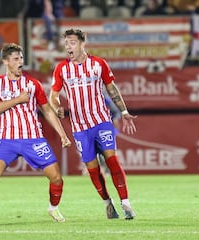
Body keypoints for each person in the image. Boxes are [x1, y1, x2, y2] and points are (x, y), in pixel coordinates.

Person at [0, 43, 72, 225]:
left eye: (22, 58)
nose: (20, 62)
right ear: (6, 62)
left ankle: (53, 207)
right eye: (16, 59)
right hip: (7, 139)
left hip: (33, 138)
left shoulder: (33, 84)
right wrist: (18, 99)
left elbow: (47, 110)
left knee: (56, 176)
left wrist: (63, 134)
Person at [49, 29, 137, 220]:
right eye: (66, 43)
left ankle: (126, 203)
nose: (68, 46)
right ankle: (108, 203)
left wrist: (123, 111)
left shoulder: (98, 64)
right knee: (93, 169)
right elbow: (53, 96)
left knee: (112, 160)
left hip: (101, 121)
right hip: (80, 127)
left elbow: (111, 89)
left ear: (82, 43)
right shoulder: (62, 69)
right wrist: (57, 108)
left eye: (72, 42)